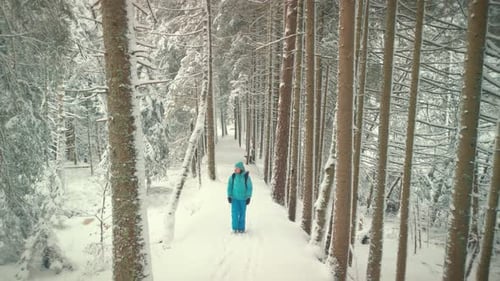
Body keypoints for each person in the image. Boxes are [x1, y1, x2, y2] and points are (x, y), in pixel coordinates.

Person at [227, 161, 253, 233]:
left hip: (243, 199)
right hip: (235, 198)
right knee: (234, 213)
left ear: (241, 169)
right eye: (235, 168)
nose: (235, 170)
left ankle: (241, 228)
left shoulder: (246, 177)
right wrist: (229, 195)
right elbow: (229, 186)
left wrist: (248, 197)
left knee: (242, 214)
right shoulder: (233, 176)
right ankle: (235, 228)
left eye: (237, 168)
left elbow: (249, 187)